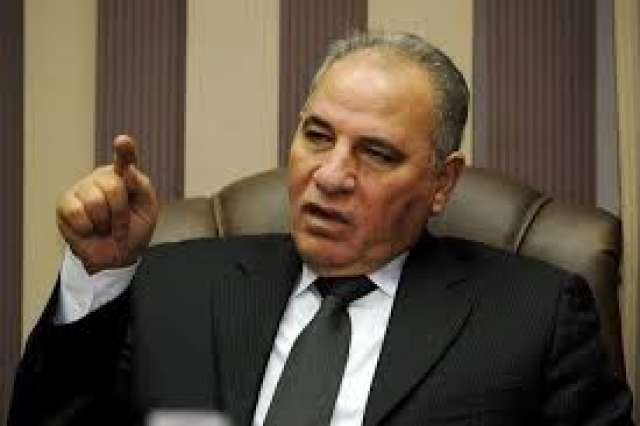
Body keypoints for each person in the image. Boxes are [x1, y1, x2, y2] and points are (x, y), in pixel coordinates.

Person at [9, 32, 633, 425]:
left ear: (442, 182)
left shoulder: (534, 316)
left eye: (377, 153)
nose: (331, 175)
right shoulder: (175, 284)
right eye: (317, 136)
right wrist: (100, 275)